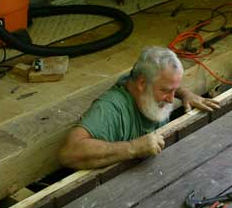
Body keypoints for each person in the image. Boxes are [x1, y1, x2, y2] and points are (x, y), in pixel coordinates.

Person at [58, 46, 220, 169]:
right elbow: (68, 153)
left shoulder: (146, 83)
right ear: (142, 83)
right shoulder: (110, 109)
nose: (171, 100)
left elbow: (166, 82)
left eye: (174, 90)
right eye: (165, 91)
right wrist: (132, 148)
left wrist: (185, 93)